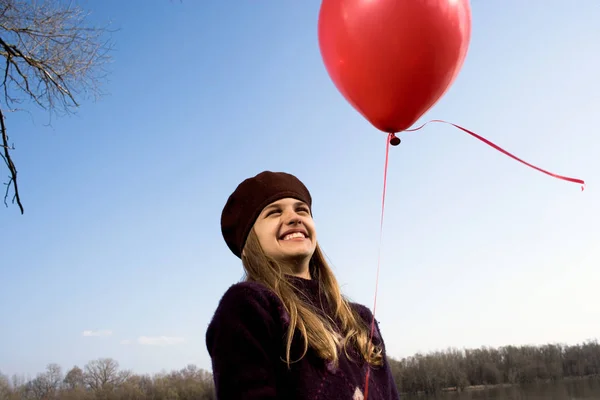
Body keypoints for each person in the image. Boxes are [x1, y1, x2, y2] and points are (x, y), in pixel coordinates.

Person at [206, 171, 400, 399]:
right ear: (250, 243)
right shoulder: (248, 305)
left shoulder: (361, 318)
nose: (294, 217)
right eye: (274, 212)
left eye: (302, 210)